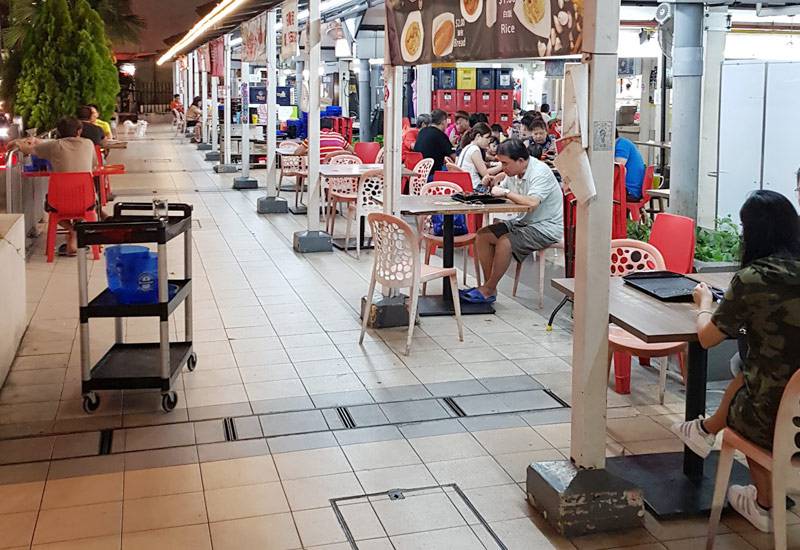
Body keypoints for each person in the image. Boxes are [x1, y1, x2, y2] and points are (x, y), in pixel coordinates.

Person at [672, 190, 800, 533]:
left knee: (750, 391)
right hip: (793, 400)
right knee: (745, 369)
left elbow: (707, 338)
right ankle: (703, 432)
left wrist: (704, 304)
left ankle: (765, 505)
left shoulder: (753, 279)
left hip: (776, 420)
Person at [461, 139, 563, 304]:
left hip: (546, 227)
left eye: (505, 163)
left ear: (521, 161)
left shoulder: (540, 172)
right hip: (524, 221)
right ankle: (489, 287)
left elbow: (531, 202)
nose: (503, 167)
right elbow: (502, 192)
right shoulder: (513, 172)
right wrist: (489, 185)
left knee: (505, 242)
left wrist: (505, 192)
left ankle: (488, 289)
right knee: (483, 235)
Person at [10, 117, 98, 256]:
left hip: (58, 203)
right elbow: (94, 165)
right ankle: (77, 231)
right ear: (79, 131)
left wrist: (17, 142)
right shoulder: (88, 144)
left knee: (53, 209)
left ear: (58, 132)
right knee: (83, 205)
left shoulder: (54, 146)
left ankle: (72, 230)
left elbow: (29, 149)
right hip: (87, 201)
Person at [450, 123, 503, 190]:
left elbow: (482, 164)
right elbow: (485, 173)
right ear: (478, 136)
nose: (488, 141)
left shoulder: (468, 147)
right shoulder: (474, 150)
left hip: (466, 185)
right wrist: (501, 166)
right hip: (474, 187)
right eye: (487, 137)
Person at [413, 109, 454, 173]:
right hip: (433, 173)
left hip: (419, 172)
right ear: (443, 122)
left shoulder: (422, 132)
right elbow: (453, 156)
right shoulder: (440, 135)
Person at [614, 130, 646, 200]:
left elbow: (617, 169)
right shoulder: (624, 142)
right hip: (633, 189)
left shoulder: (622, 145)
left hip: (630, 191)